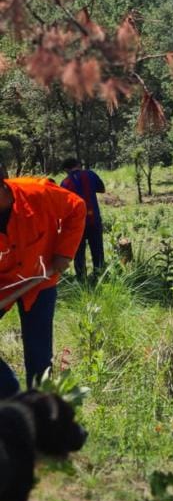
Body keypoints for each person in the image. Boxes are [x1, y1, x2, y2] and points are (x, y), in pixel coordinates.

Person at [0, 169, 86, 398]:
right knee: (6, 387)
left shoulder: (38, 194)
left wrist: (64, 252)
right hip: (2, 285)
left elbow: (77, 207)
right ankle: (10, 396)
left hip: (39, 281)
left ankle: (38, 413)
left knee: (39, 356)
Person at [60, 158, 106, 281]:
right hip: (94, 219)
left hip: (76, 224)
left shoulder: (65, 183)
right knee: (97, 250)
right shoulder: (90, 174)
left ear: (66, 170)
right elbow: (102, 189)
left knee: (78, 253)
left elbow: (64, 205)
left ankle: (81, 278)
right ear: (79, 165)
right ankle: (100, 275)